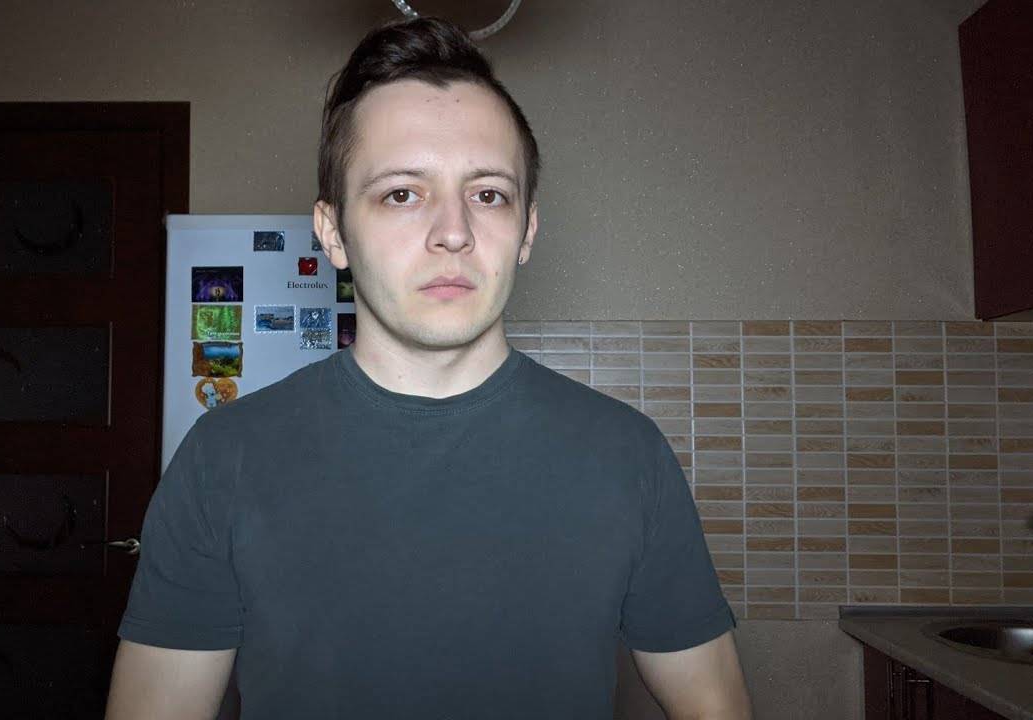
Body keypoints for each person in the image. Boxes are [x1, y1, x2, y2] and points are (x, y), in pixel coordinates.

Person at [106, 17, 751, 720]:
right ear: (333, 231)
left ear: (528, 229)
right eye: (402, 193)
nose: (453, 232)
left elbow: (715, 706)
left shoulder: (628, 455)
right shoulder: (222, 460)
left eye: (488, 194)